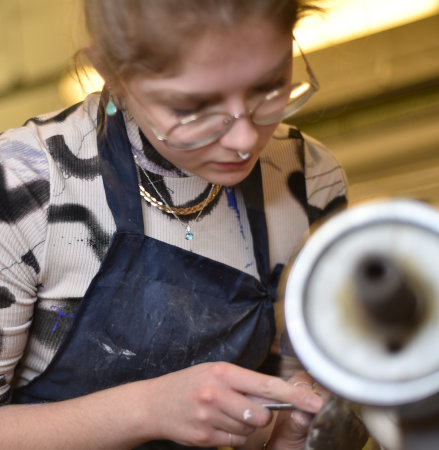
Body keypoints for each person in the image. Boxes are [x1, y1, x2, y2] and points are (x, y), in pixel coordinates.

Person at [0, 0, 348, 448]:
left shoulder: (308, 181)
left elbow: (283, 406)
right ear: (112, 72)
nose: (244, 141)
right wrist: (148, 409)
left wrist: (291, 430)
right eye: (194, 107)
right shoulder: (27, 183)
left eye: (270, 87)